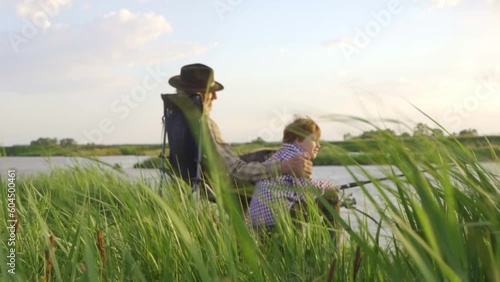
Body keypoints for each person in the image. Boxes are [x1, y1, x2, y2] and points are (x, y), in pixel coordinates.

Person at [167, 63, 312, 184]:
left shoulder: (175, 117)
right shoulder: (202, 123)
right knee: (281, 158)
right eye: (211, 91)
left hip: (197, 178)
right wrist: (283, 167)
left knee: (268, 154)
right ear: (200, 94)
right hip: (225, 182)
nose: (215, 97)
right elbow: (235, 171)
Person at [247, 116, 341, 236]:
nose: (318, 145)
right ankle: (332, 249)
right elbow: (305, 192)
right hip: (279, 217)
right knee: (331, 196)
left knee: (297, 204)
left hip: (257, 222)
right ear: (298, 139)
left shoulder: (278, 156)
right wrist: (328, 185)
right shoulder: (298, 159)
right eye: (314, 140)